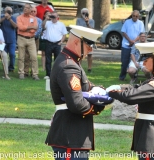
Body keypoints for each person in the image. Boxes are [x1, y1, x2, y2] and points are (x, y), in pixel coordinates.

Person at [45, 25, 106, 160]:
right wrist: (99, 106)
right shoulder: (68, 65)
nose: (91, 49)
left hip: (72, 133)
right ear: (77, 41)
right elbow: (77, 103)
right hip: (69, 134)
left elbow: (87, 87)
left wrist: (100, 91)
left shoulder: (72, 62)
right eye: (89, 45)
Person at [106, 42, 154, 160]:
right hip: (151, 136)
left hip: (153, 139)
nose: (143, 63)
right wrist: (119, 87)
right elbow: (138, 88)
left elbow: (131, 96)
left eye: (145, 59)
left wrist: (111, 93)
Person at [119, 10, 145, 81]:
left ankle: (134, 76)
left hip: (136, 45)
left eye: (136, 16)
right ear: (132, 15)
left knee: (135, 61)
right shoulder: (127, 22)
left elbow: (141, 34)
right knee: (124, 62)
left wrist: (134, 41)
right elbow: (123, 32)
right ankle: (122, 76)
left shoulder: (141, 23)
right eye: (134, 16)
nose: (135, 17)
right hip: (126, 45)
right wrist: (130, 40)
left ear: (138, 16)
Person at [17, 3, 39, 80]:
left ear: (30, 10)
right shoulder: (19, 18)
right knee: (21, 57)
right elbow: (20, 27)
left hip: (31, 39)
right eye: (24, 8)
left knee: (34, 57)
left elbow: (34, 29)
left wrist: (27, 28)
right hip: (21, 38)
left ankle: (35, 74)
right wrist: (31, 27)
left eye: (27, 8)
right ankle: (21, 73)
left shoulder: (34, 18)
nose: (25, 9)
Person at [42, 11, 67, 79]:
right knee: (48, 59)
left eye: (54, 17)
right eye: (52, 16)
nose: (53, 18)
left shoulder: (61, 24)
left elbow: (64, 34)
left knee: (57, 60)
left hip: (57, 43)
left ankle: (56, 74)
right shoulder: (48, 23)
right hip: (49, 43)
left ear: (57, 17)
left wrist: (61, 42)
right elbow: (43, 26)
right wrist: (46, 18)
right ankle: (48, 74)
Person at [24, 7, 42, 77]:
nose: (33, 13)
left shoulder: (39, 20)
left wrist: (33, 34)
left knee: (34, 56)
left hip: (35, 39)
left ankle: (33, 72)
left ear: (36, 12)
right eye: (32, 11)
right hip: (27, 39)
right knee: (26, 55)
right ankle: (25, 72)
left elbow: (39, 29)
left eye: (34, 11)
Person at [76, 8, 95, 73]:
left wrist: (87, 23)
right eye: (83, 13)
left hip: (89, 39)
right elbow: (78, 28)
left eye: (86, 13)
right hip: (81, 38)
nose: (84, 14)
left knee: (90, 54)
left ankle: (89, 68)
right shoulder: (78, 20)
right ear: (81, 14)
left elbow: (92, 30)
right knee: (80, 54)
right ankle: (79, 68)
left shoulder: (91, 21)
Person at [0, 6, 17, 73]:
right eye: (7, 11)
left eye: (9, 12)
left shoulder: (13, 18)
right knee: (4, 55)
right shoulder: (2, 17)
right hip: (3, 40)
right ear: (4, 12)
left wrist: (9, 19)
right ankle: (5, 67)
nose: (8, 13)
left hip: (12, 40)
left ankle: (11, 67)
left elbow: (15, 26)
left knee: (12, 54)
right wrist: (5, 17)